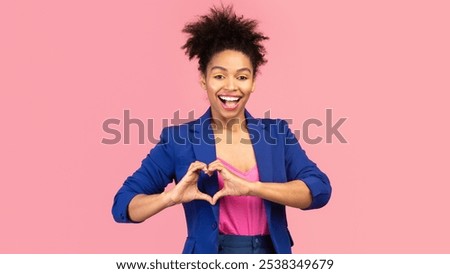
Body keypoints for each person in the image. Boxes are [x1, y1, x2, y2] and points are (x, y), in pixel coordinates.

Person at [112, 5, 331, 254]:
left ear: (253, 83)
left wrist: (252, 187)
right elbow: (123, 205)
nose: (230, 87)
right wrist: (170, 198)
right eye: (219, 76)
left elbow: (320, 189)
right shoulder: (179, 140)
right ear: (204, 79)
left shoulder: (277, 135)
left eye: (241, 76)